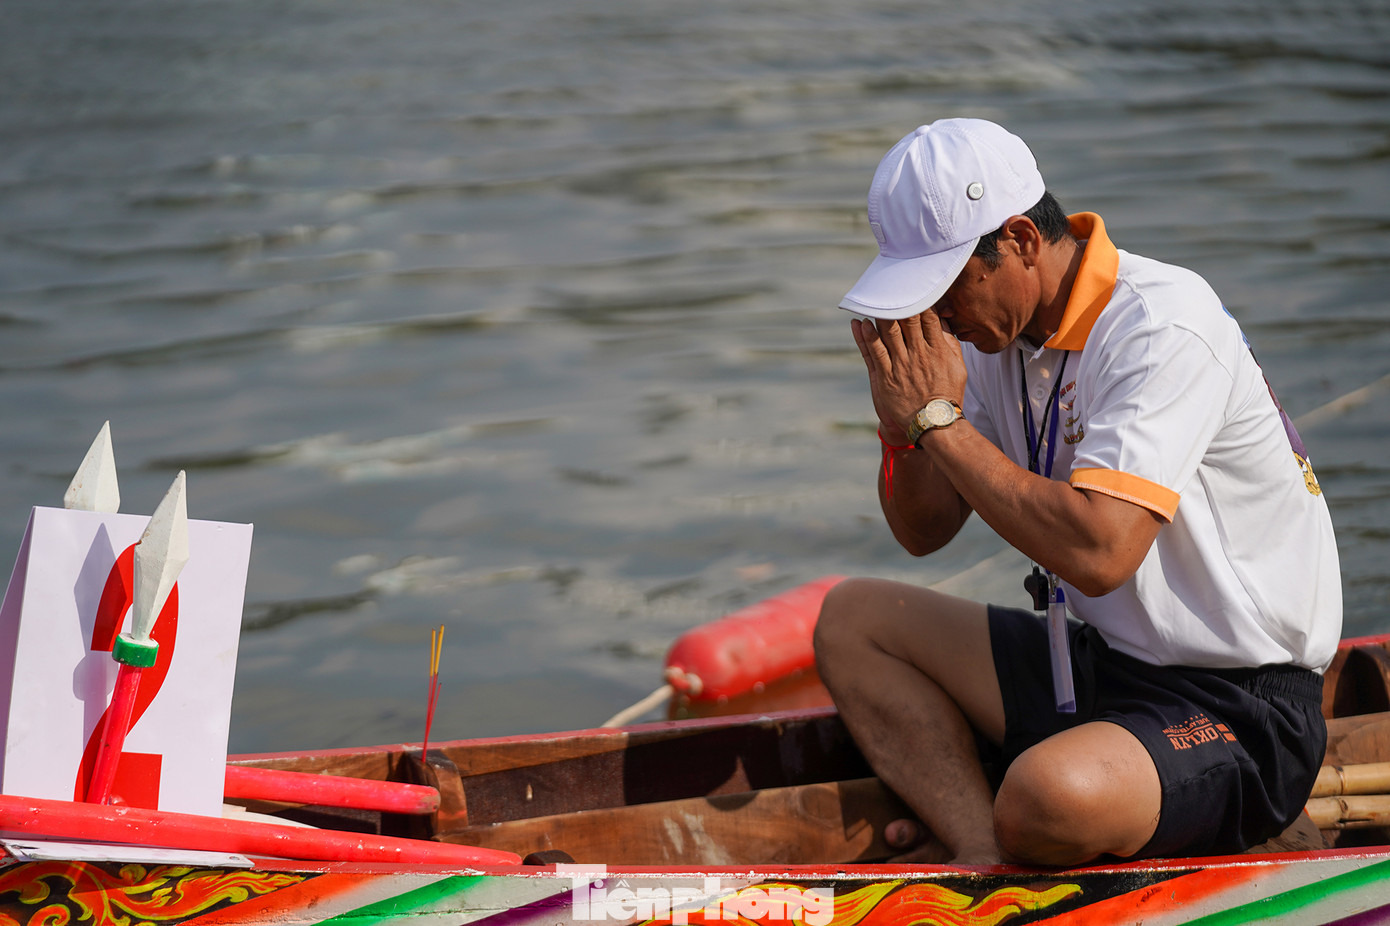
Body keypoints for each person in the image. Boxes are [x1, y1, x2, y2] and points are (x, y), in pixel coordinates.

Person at [813, 117, 1342, 866]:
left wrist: (939, 421)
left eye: (946, 285)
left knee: (1044, 797)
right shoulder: (995, 333)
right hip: (1096, 663)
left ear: (1023, 241)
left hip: (1238, 702)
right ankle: (982, 858)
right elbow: (922, 531)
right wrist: (902, 423)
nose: (937, 317)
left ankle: (1035, 820)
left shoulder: (1160, 326)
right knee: (851, 621)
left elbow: (1101, 553)